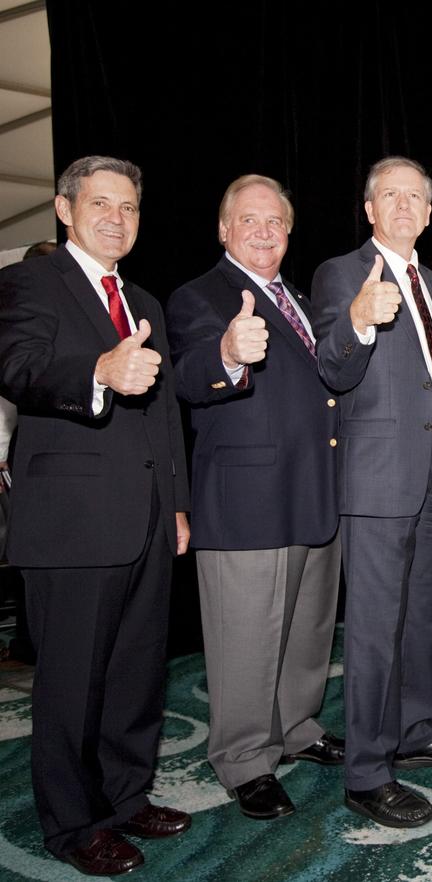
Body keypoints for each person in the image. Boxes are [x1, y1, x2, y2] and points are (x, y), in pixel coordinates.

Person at [0, 156, 192, 875]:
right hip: (71, 522)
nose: (117, 217)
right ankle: (73, 827)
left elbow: (166, 411)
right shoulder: (29, 282)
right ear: (64, 208)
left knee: (137, 672)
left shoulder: (143, 298)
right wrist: (98, 374)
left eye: (130, 208)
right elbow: (17, 366)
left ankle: (124, 796)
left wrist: (176, 503)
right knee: (72, 684)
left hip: (145, 518)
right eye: (101, 204)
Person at [311, 156, 432, 828]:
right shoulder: (342, 273)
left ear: (431, 213)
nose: (405, 205)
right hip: (379, 476)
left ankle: (416, 730)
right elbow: (330, 367)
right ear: (370, 208)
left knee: (423, 618)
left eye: (416, 196)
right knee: (376, 630)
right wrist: (355, 321)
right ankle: (367, 771)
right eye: (391, 194)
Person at [166, 175, 344, 821]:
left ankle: (296, 727)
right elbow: (187, 376)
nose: (263, 230)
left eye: (275, 221)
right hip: (245, 503)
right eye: (249, 219)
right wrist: (228, 353)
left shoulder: (294, 297)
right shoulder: (199, 296)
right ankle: (244, 760)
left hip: (312, 490)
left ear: (289, 231)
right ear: (223, 229)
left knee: (306, 630)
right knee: (246, 640)